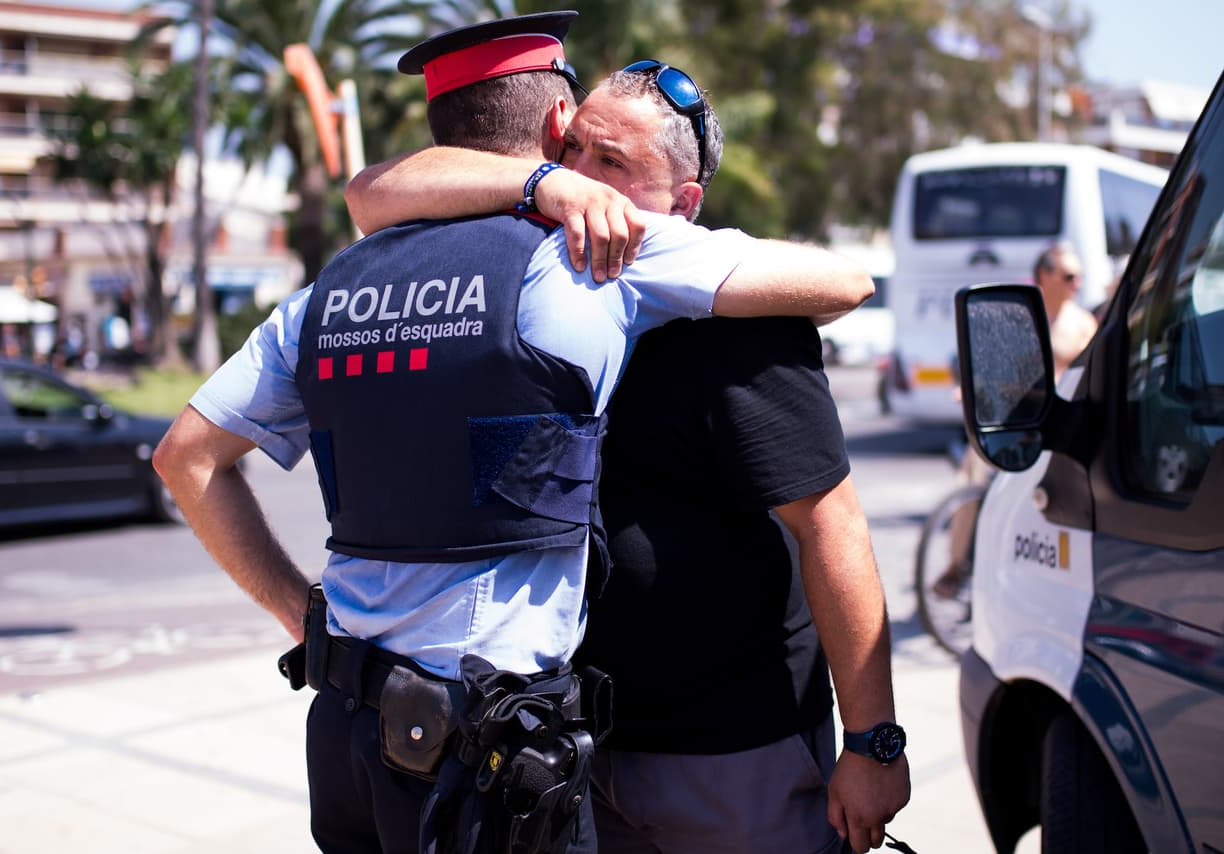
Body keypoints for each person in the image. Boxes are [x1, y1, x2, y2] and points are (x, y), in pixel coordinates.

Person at [154, 12, 874, 854]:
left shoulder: (329, 292)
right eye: (579, 150)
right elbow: (845, 281)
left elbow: (185, 458)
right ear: (558, 123)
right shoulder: (589, 256)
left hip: (346, 734)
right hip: (484, 753)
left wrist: (301, 616)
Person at [346, 62, 910, 854]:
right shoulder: (522, 275)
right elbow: (371, 193)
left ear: (684, 203)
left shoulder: (740, 315)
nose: (583, 180)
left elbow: (833, 526)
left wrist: (873, 741)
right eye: (571, 150)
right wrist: (543, 185)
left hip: (732, 754)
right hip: (571, 748)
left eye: (612, 163)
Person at [938, 242, 1098, 597]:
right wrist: (974, 391)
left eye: (1079, 277)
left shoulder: (1082, 324)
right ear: (1045, 276)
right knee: (970, 478)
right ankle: (955, 564)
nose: (1076, 284)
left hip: (1054, 423)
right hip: (1014, 417)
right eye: (1069, 276)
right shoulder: (1018, 316)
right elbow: (995, 365)